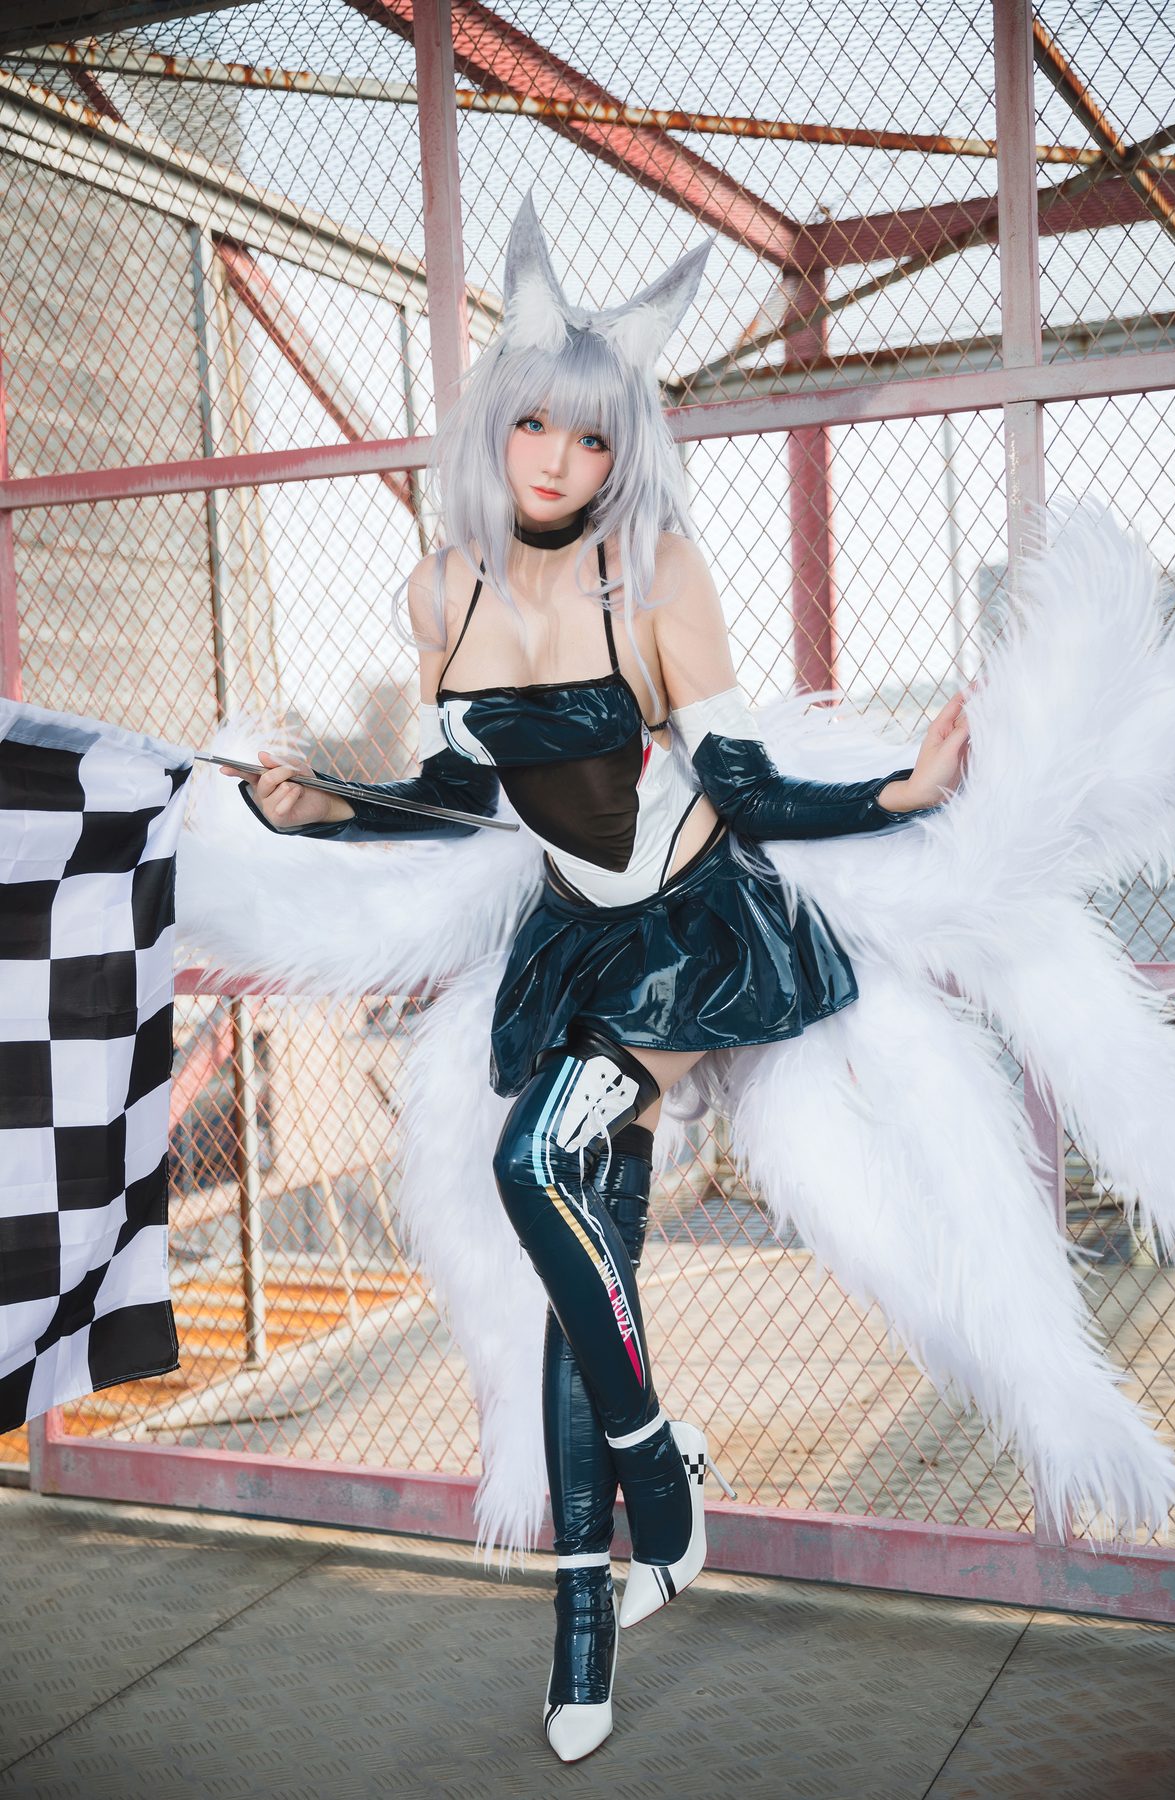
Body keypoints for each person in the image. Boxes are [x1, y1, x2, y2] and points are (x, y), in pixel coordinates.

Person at [224, 193, 968, 1764]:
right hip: (571, 939)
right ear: (493, 425)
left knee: (530, 1163)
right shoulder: (443, 589)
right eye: (534, 427)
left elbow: (742, 784)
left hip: (689, 932)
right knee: (587, 1272)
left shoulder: (657, 572)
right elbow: (459, 792)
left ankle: (657, 1471)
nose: (558, 460)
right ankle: (585, 1631)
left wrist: (899, 792)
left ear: (627, 450)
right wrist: (323, 808)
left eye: (591, 437)